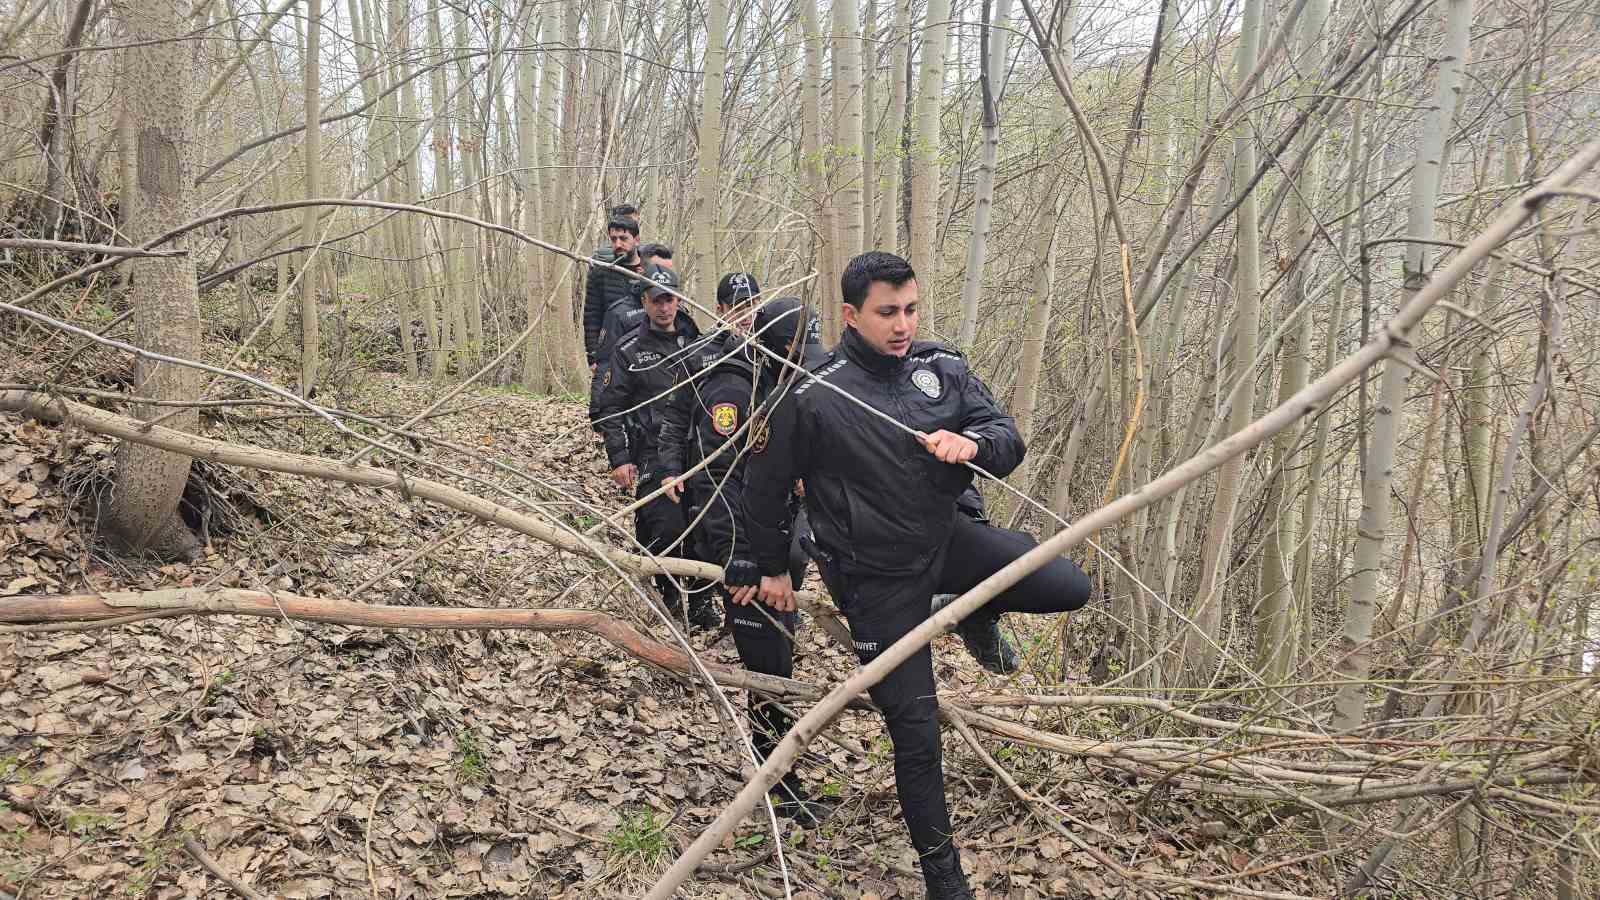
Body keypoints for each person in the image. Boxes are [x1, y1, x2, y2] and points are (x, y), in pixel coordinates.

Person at [732, 251, 1093, 899]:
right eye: (887, 312)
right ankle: (944, 882)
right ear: (851, 315)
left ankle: (971, 605)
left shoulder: (940, 366)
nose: (902, 324)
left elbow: (1004, 436)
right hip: (876, 581)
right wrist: (768, 570)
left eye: (911, 309)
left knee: (1069, 585)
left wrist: (973, 447)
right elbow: (763, 494)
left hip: (949, 542)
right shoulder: (814, 395)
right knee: (917, 735)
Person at [657, 282, 832, 821]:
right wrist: (742, 560)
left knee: (776, 662)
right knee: (768, 669)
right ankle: (776, 785)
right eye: (797, 357)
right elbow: (718, 480)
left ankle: (778, 772)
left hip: (781, 550)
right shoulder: (734, 389)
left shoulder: (786, 389)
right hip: (746, 558)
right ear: (775, 351)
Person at [593, 266, 720, 632]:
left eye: (671, 299)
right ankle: (667, 589)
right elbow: (611, 405)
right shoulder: (629, 349)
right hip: (651, 450)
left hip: (697, 448)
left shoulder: (697, 340)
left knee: (705, 525)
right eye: (657, 300)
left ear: (679, 299)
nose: (665, 307)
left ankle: (701, 600)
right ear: (645, 302)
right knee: (666, 525)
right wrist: (619, 457)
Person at [583, 216, 647, 369]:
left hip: (646, 349)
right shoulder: (600, 272)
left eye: (623, 238)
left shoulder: (651, 270)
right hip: (611, 352)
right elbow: (592, 316)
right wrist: (592, 356)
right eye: (613, 239)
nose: (618, 244)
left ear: (636, 240)